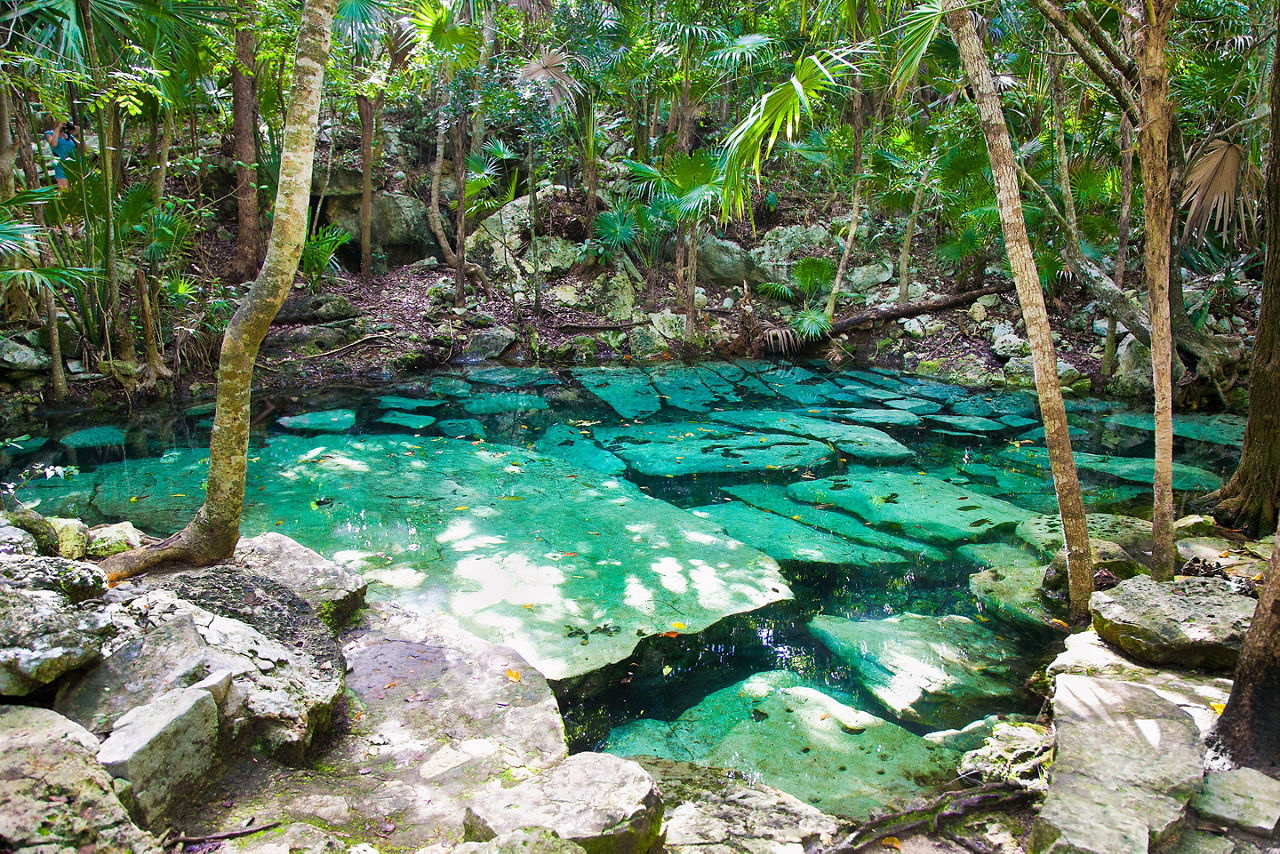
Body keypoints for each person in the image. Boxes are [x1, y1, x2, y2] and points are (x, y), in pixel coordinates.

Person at [43, 121, 78, 189]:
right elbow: (54, 144)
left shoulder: (68, 135)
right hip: (62, 165)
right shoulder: (49, 134)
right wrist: (57, 129)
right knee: (65, 191)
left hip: (74, 164)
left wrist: (78, 133)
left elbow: (84, 148)